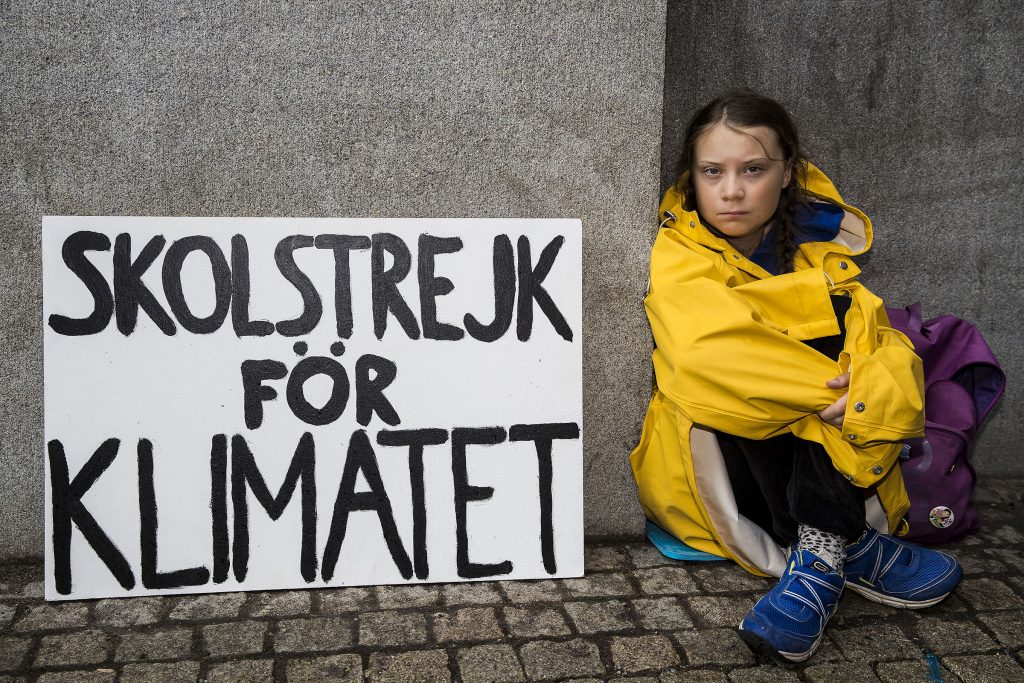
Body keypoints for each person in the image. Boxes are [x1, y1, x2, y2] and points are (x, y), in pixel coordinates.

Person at [629, 89, 962, 663]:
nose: (731, 190)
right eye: (713, 171)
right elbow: (709, 359)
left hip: (811, 472)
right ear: (692, 176)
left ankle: (821, 554)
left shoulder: (818, 251)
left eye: (753, 169)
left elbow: (890, 352)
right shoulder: (679, 251)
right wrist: (853, 397)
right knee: (778, 378)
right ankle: (844, 544)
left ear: (788, 174)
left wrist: (867, 387)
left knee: (839, 342)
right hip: (733, 474)